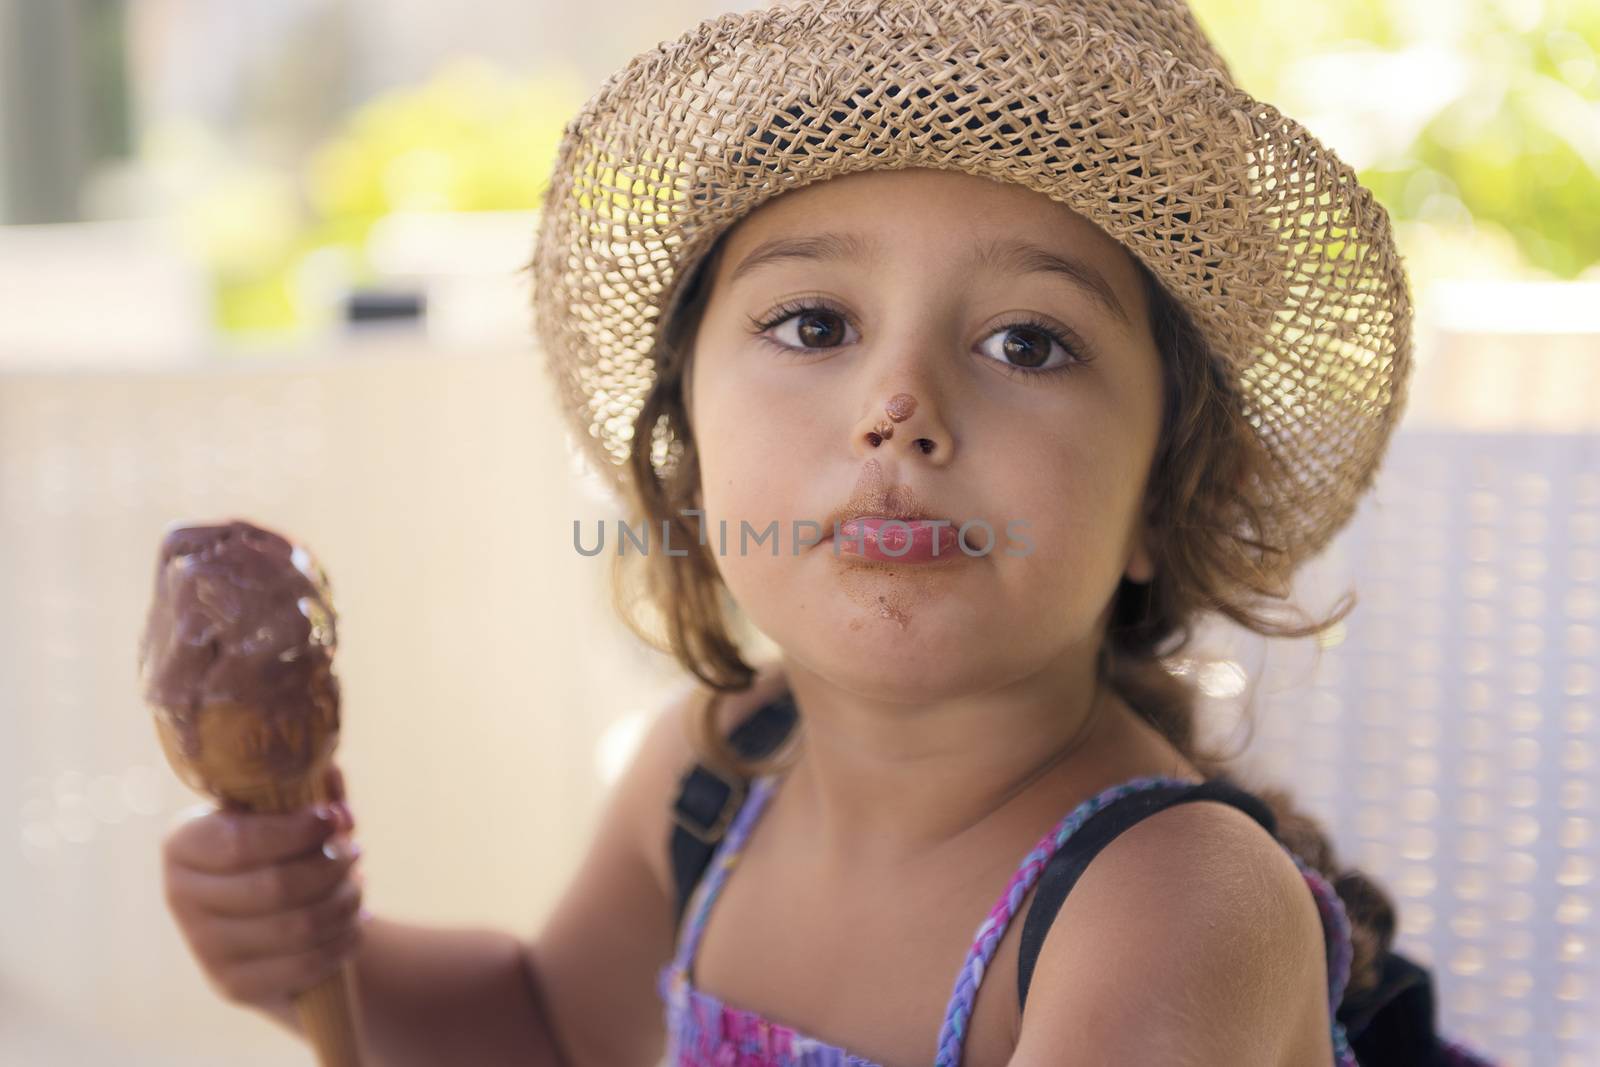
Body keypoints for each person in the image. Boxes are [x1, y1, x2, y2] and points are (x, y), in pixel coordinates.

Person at [160, 0, 1501, 1064]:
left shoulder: (1169, 905)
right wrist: (313, 959)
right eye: (813, 324)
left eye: (1028, 341)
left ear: (1159, 499)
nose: (898, 409)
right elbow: (553, 1036)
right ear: (687, 451)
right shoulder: (715, 776)